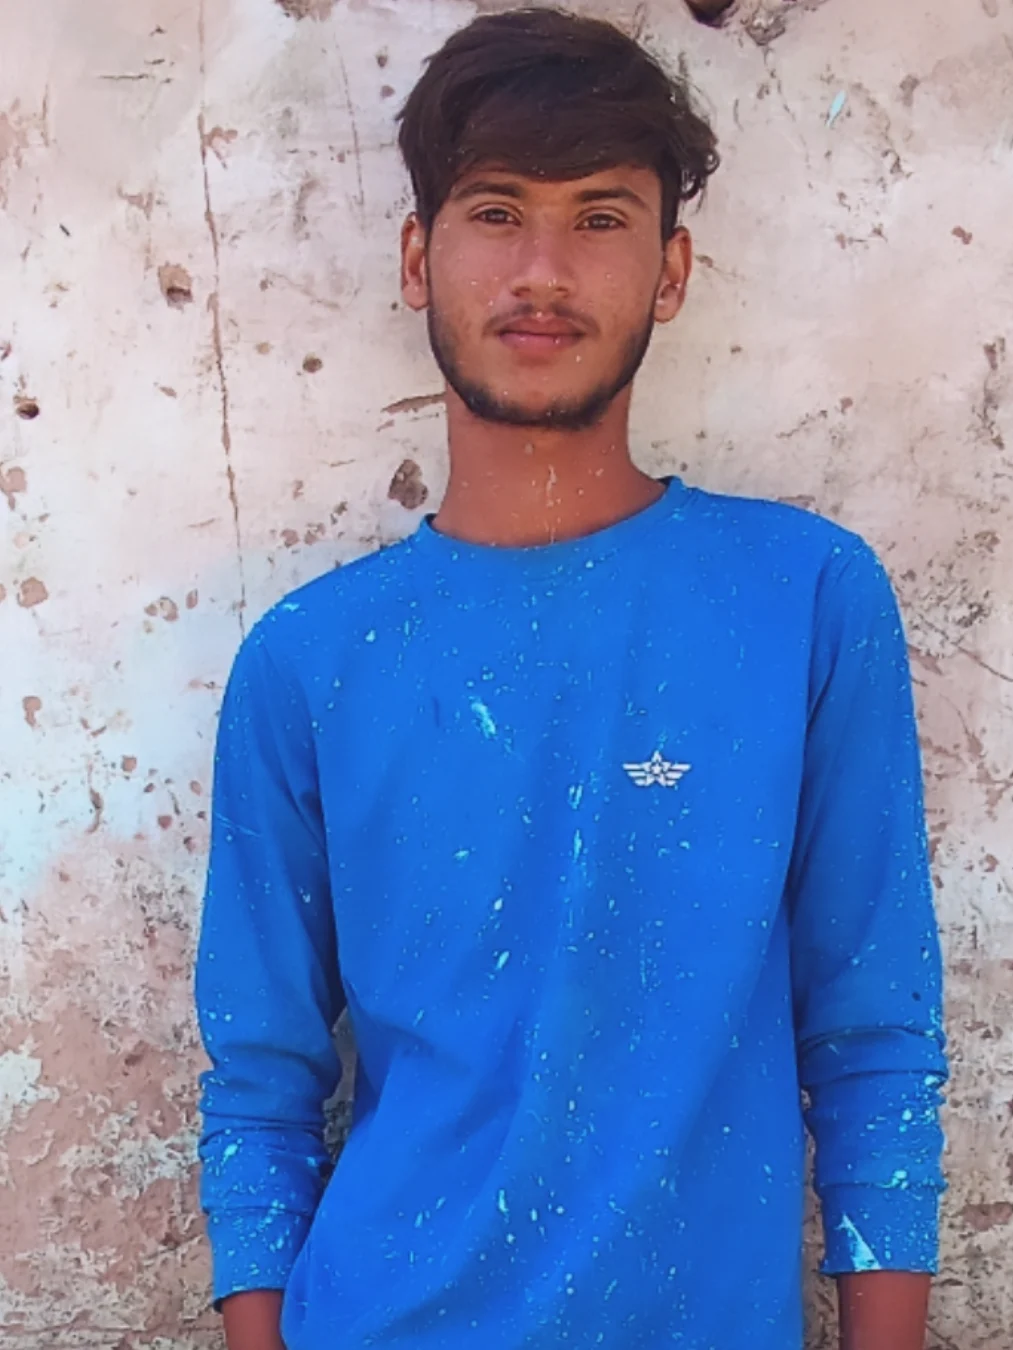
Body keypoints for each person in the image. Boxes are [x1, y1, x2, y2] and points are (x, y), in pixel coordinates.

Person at [195, 9, 947, 1350]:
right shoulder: (308, 661)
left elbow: (873, 1037)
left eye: (601, 217)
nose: (542, 271)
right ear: (419, 258)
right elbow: (260, 1088)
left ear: (671, 271)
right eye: (496, 212)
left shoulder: (805, 600)